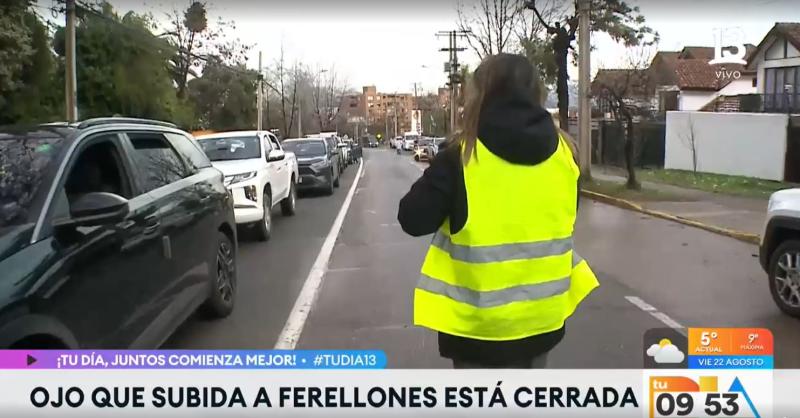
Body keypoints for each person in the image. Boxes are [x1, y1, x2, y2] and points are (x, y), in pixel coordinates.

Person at [397, 53, 599, 369]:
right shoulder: (565, 155)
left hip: (479, 332)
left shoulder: (462, 157)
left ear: (480, 95)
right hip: (542, 323)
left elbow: (411, 218)